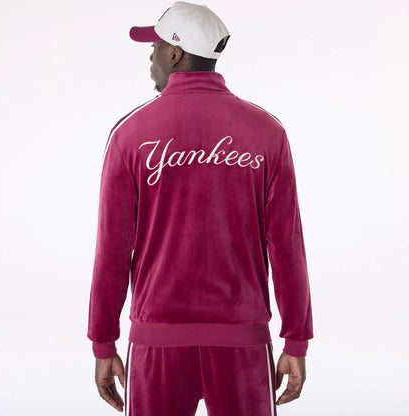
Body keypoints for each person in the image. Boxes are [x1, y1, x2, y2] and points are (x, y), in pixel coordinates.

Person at [87, 2, 314, 415]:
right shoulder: (266, 132)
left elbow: (112, 250)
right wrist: (295, 341)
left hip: (157, 344)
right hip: (243, 344)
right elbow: (287, 245)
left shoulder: (130, 134)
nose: (150, 58)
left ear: (175, 53)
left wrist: (103, 342)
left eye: (155, 48)